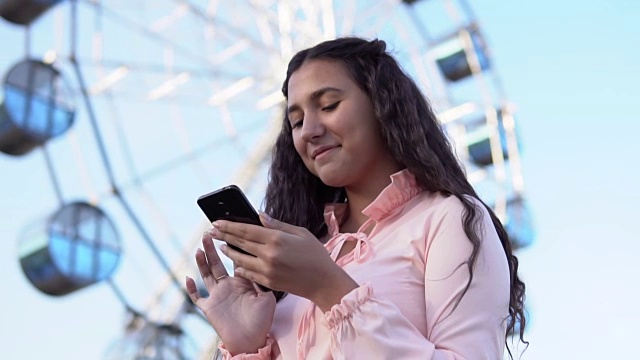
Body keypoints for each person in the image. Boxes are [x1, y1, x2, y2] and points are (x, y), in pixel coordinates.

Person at [186, 37, 527, 359]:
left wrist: (327, 287)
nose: (309, 131)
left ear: (383, 106)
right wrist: (247, 344)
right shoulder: (307, 249)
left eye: (329, 105)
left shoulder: (449, 219)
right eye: (297, 121)